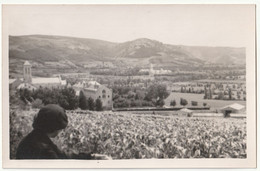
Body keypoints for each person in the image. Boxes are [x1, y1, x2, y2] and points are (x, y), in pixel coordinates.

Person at [16, 104, 111, 160]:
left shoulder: (35, 137)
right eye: (61, 127)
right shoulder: (45, 150)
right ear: (54, 127)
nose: (62, 130)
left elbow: (63, 155)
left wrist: (91, 156)